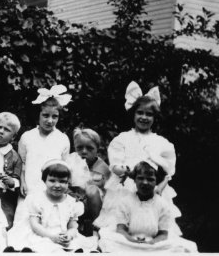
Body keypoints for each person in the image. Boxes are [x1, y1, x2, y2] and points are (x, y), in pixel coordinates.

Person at [96, 81, 181, 235]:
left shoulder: (162, 143)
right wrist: (123, 170)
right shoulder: (122, 139)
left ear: (155, 117)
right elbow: (115, 164)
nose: (144, 117)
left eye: (149, 114)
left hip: (152, 187)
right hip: (126, 186)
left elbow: (169, 170)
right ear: (133, 114)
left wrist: (160, 186)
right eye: (140, 113)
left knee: (154, 227)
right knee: (118, 226)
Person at [98, 161, 197, 252]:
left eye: (150, 179)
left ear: (156, 182)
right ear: (135, 180)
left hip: (153, 242)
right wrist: (132, 241)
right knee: (107, 238)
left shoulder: (162, 204)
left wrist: (151, 243)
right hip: (128, 241)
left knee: (182, 246)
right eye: (140, 178)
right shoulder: (125, 202)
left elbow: (163, 234)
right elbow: (121, 229)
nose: (145, 182)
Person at [7, 160, 97, 253]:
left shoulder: (71, 202)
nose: (57, 185)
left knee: (77, 246)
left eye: (62, 181)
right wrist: (52, 237)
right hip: (42, 234)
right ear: (44, 181)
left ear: (68, 183)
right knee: (46, 246)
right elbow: (35, 225)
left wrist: (69, 235)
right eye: (52, 181)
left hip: (62, 236)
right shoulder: (37, 199)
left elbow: (72, 226)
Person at [13, 85, 72, 227]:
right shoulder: (27, 137)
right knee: (23, 225)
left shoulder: (62, 139)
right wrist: (23, 182)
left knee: (49, 224)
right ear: (38, 115)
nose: (50, 120)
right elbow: (22, 162)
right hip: (30, 187)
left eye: (54, 116)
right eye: (45, 115)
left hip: (51, 188)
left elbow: (64, 168)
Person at [64, 127, 110, 236]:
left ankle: (99, 226)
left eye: (89, 148)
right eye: (79, 148)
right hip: (75, 200)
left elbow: (99, 187)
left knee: (92, 190)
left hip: (95, 205)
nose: (84, 152)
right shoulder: (71, 161)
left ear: (97, 149)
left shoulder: (101, 167)